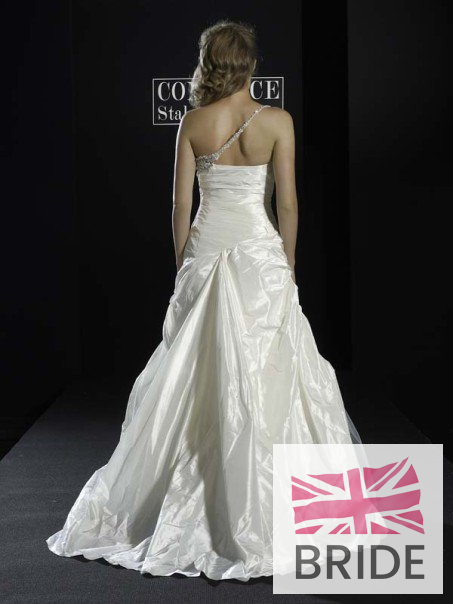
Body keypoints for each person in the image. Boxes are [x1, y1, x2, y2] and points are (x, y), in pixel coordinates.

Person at [46, 18, 361, 582]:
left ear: (210, 63)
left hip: (208, 246)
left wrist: (183, 264)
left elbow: (179, 206)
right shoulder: (279, 121)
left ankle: (199, 505)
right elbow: (287, 204)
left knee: (197, 379)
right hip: (259, 253)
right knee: (271, 374)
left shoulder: (193, 122)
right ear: (251, 64)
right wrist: (287, 266)